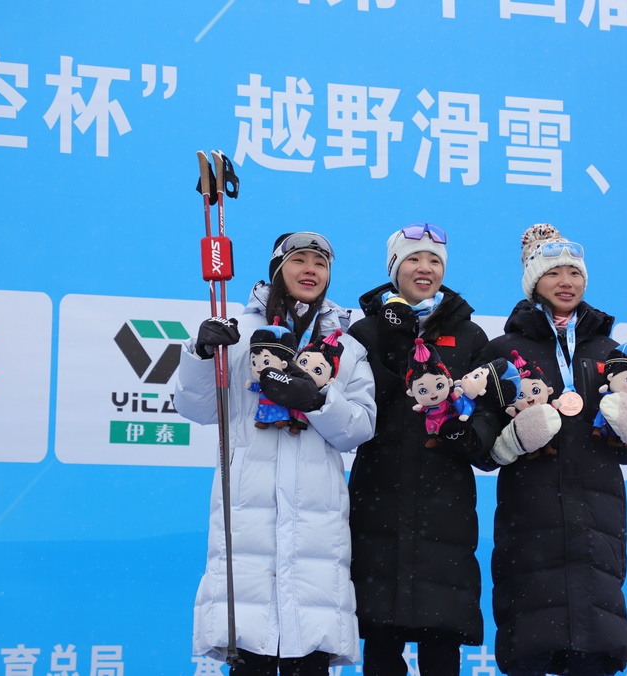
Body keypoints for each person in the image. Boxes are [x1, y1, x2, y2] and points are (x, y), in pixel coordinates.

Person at [174, 231, 377, 676]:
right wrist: (201, 352)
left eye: (320, 264)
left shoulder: (345, 345)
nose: (311, 271)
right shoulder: (238, 333)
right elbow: (196, 407)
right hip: (249, 517)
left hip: (316, 524)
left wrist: (318, 400)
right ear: (277, 270)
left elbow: (359, 428)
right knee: (252, 653)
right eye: (299, 260)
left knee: (309, 656)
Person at [474, 223, 627, 676]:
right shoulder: (503, 351)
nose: (566, 281)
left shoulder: (613, 352)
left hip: (598, 517)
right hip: (530, 517)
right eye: (553, 272)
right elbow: (481, 447)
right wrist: (512, 441)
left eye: (574, 272)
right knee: (532, 646)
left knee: (594, 651)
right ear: (534, 281)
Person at [347, 223, 494, 676]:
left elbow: (488, 415)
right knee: (381, 638)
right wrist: (396, 343)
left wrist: (465, 435)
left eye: (434, 260)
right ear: (394, 268)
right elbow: (357, 406)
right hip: (379, 500)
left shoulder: (469, 335)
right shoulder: (364, 331)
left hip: (445, 504)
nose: (424, 268)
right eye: (413, 258)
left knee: (441, 639)